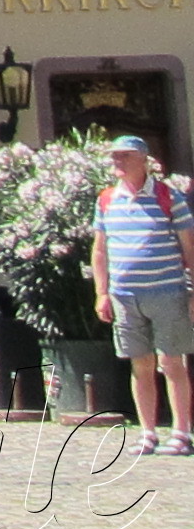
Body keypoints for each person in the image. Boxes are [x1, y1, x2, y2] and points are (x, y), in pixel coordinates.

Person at [93, 133, 194, 456]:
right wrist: (102, 293)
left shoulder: (168, 196)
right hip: (125, 296)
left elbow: (189, 247)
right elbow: (99, 250)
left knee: (172, 362)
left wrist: (192, 292)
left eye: (125, 155)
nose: (117, 161)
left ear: (144, 161)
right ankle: (147, 433)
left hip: (167, 292)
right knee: (140, 365)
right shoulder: (107, 199)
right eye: (114, 156)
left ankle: (181, 433)